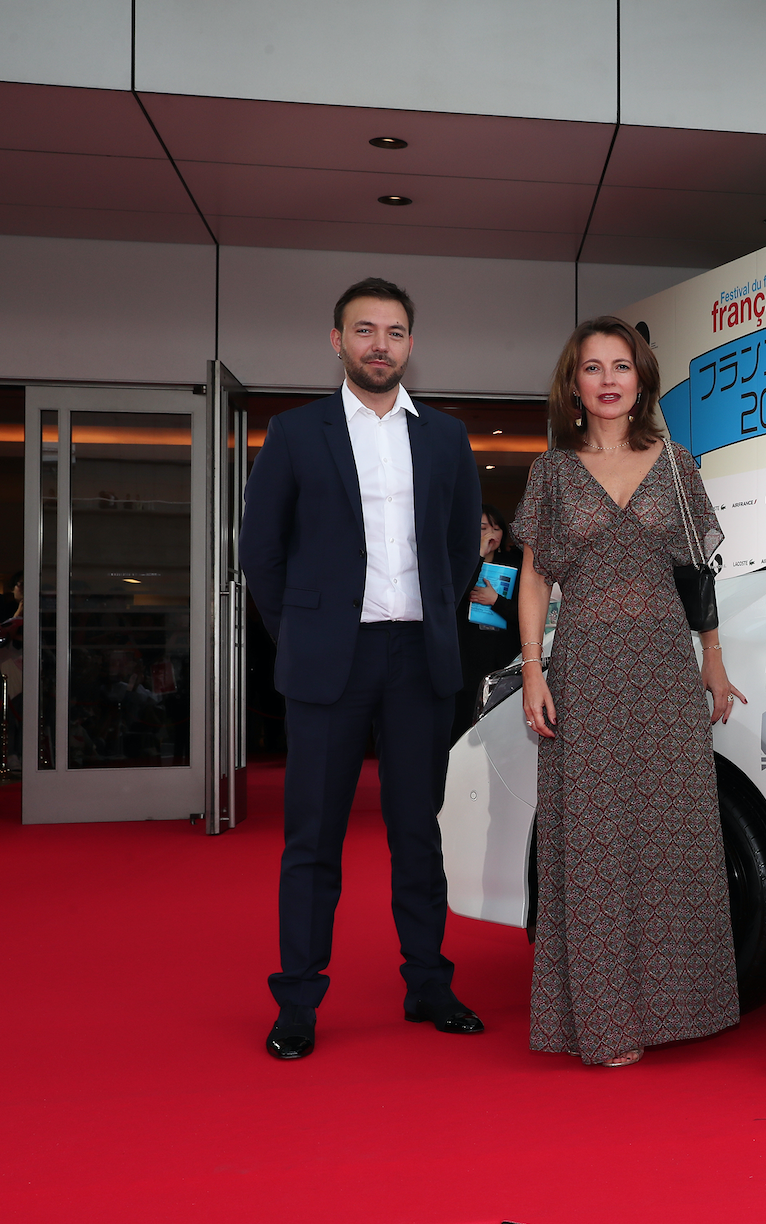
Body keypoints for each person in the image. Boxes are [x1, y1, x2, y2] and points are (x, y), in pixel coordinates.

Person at [241, 277, 485, 1061]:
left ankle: (429, 984)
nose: (380, 344)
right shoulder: (294, 433)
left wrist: (433, 630)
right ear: (338, 341)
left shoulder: (445, 438)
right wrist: (304, 635)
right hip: (327, 665)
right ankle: (299, 1002)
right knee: (313, 839)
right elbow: (262, 553)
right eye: (365, 330)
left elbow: (456, 550)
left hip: (418, 659)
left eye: (395, 332)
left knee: (419, 834)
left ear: (412, 345)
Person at [514, 315, 748, 1067]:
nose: (609, 379)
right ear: (573, 384)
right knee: (593, 844)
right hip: (583, 666)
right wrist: (531, 669)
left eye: (622, 366)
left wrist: (713, 659)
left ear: (641, 380)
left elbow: (696, 576)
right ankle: (607, 1021)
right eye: (593, 367)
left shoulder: (677, 465)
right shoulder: (552, 473)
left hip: (663, 668)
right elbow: (534, 577)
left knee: (670, 838)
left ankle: (684, 1008)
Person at [450, 503, 521, 746]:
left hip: (502, 656)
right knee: (460, 729)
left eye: (496, 528)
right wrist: (479, 553)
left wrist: (496, 601)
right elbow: (453, 599)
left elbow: (526, 613)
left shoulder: (516, 564)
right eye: (482, 528)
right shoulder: (459, 564)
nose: (491, 533)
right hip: (466, 658)